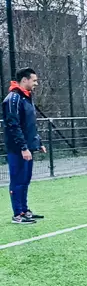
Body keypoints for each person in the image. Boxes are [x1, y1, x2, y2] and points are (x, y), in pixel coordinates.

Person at [3, 68, 46, 224]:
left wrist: (38, 143)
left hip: (28, 148)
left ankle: (24, 210)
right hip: (17, 149)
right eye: (34, 80)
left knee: (25, 180)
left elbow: (30, 124)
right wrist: (23, 147)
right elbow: (13, 125)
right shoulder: (12, 99)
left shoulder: (27, 97)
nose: (36, 83)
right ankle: (17, 214)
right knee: (17, 180)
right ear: (24, 80)